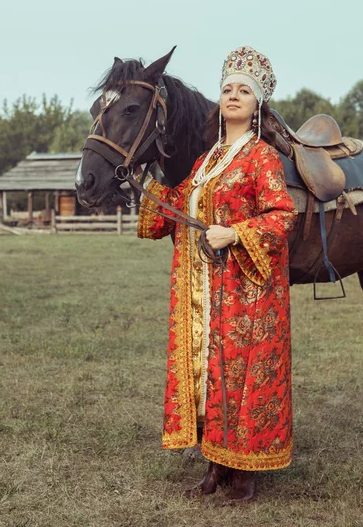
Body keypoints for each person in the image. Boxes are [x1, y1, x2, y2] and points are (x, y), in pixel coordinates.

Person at [137, 46, 298, 503]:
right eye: (227, 88)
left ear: (257, 103)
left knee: (243, 377)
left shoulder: (261, 157)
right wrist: (146, 183)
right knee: (211, 376)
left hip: (247, 292)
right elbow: (170, 213)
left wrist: (237, 232)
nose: (233, 95)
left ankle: (244, 474)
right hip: (203, 291)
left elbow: (282, 215)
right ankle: (215, 466)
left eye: (243, 90)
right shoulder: (207, 161)